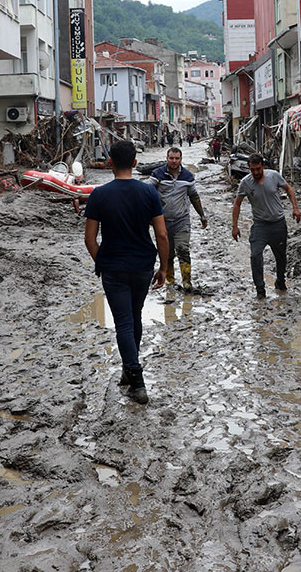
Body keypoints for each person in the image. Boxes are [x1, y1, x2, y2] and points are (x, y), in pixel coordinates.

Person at [84, 140, 169, 405]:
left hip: (114, 268)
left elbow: (89, 239)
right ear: (134, 162)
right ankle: (129, 370)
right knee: (134, 317)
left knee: (123, 321)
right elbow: (162, 235)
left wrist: (103, 262)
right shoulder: (149, 193)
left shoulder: (99, 194)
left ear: (110, 162)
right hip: (143, 266)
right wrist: (164, 267)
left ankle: (136, 379)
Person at [231, 154, 301, 299]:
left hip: (278, 224)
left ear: (263, 166)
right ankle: (260, 290)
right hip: (260, 225)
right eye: (252, 170)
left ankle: (280, 281)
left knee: (280, 256)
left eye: (258, 169)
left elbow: (288, 189)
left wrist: (295, 208)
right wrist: (235, 226)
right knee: (255, 255)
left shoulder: (274, 176)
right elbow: (237, 204)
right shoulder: (246, 182)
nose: (256, 173)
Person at [148, 146, 208, 290]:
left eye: (177, 158)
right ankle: (169, 280)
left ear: (181, 160)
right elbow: (148, 193)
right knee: (167, 253)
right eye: (171, 158)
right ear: (167, 159)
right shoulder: (157, 174)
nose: (174, 161)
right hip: (162, 221)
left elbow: (194, 196)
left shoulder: (187, 176)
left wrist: (202, 215)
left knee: (183, 249)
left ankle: (187, 282)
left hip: (182, 219)